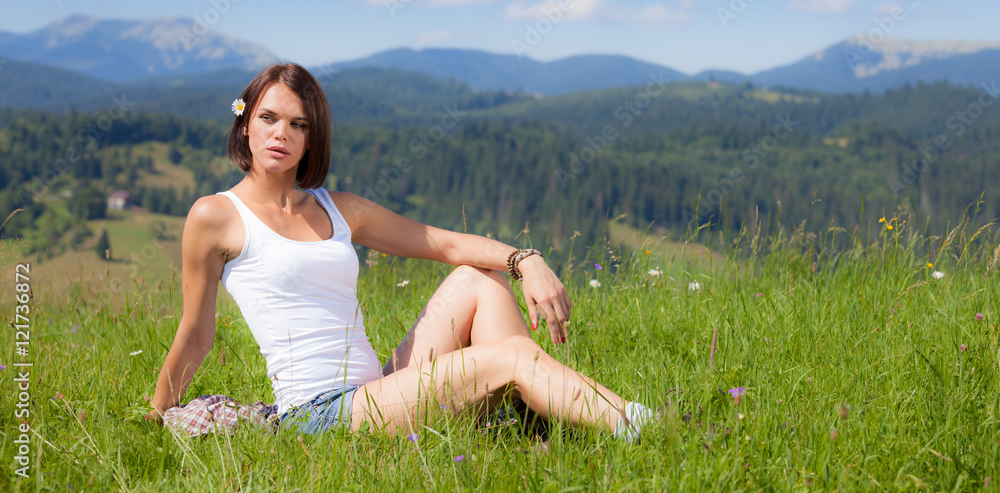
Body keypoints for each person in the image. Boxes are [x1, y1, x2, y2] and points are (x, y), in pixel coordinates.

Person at [149, 63, 655, 440]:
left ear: (311, 139)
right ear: (245, 125)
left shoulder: (338, 208)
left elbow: (446, 242)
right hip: (321, 414)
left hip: (380, 390)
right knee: (514, 354)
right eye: (268, 118)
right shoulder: (215, 216)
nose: (282, 133)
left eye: (298, 124)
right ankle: (643, 428)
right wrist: (155, 415)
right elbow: (196, 333)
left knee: (480, 278)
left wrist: (527, 260)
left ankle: (534, 425)